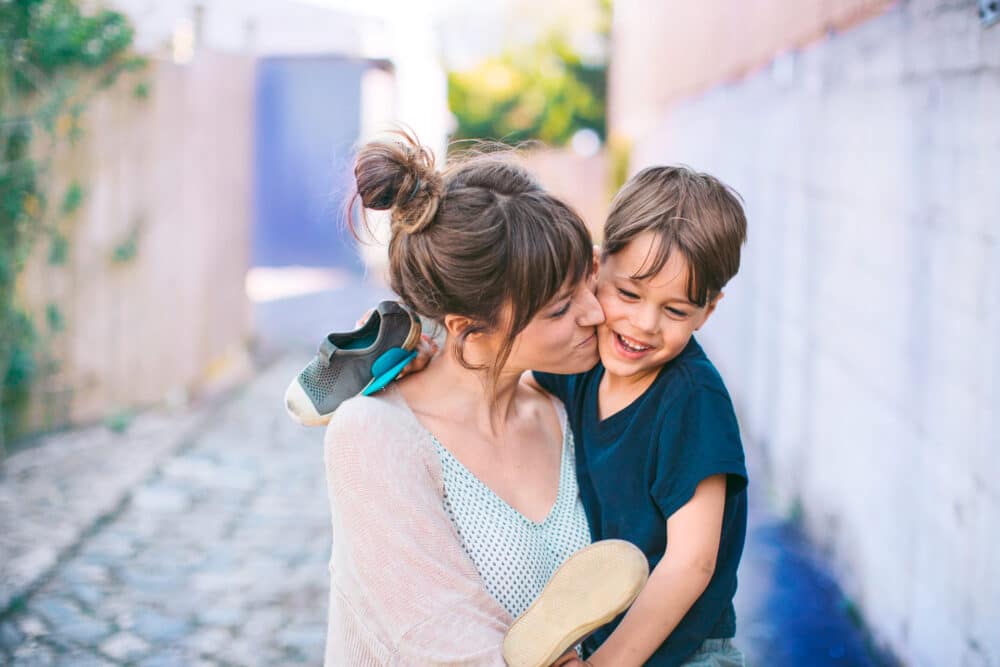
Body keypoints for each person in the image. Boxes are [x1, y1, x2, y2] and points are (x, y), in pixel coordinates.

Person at [322, 132, 630, 665]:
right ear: (469, 330)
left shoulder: (567, 408)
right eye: (560, 309)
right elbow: (437, 635)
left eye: (589, 282)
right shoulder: (376, 434)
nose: (595, 314)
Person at [532, 166, 750, 666]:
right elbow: (510, 370)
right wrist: (432, 356)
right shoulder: (584, 364)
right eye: (628, 294)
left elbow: (692, 562)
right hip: (603, 637)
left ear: (707, 312)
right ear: (594, 268)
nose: (644, 324)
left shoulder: (692, 400)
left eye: (675, 311)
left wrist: (608, 663)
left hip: (685, 652)